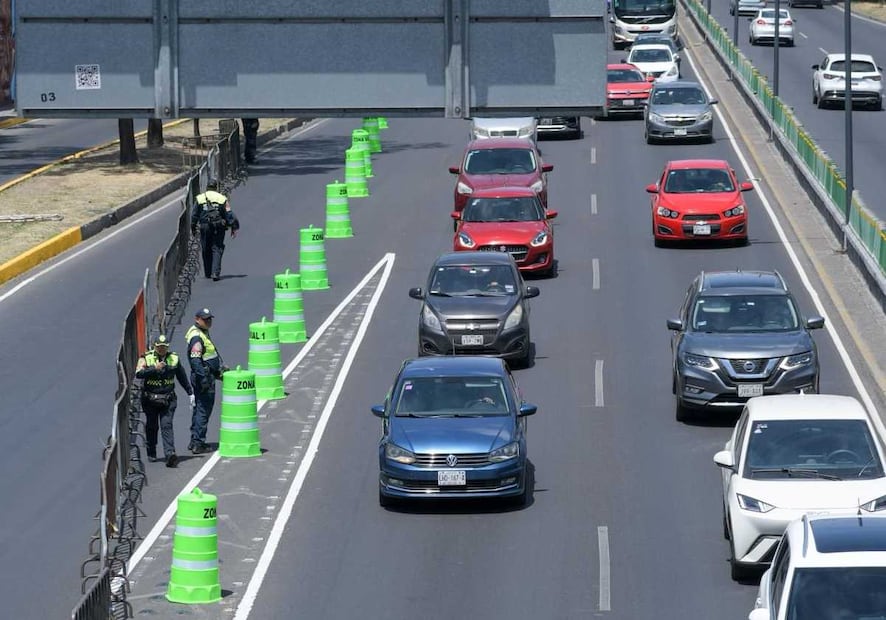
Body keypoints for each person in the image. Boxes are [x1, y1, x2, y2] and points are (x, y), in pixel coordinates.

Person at [135, 335, 194, 468]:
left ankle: (170, 454)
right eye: (159, 347)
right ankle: (151, 450)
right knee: (152, 426)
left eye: (164, 347)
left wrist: (190, 392)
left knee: (166, 425)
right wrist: (154, 368)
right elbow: (138, 373)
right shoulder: (146, 358)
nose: (162, 349)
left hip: (168, 399)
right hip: (150, 399)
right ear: (155, 346)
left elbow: (181, 376)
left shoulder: (174, 358)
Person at [185, 307, 228, 454]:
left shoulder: (202, 332)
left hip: (206, 375)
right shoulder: (196, 337)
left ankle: (194, 440)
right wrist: (203, 378)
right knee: (203, 410)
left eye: (209, 319)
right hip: (203, 378)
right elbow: (195, 360)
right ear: (197, 319)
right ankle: (198, 443)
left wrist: (218, 370)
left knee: (199, 409)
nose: (208, 321)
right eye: (205, 319)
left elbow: (208, 355)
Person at [192, 180, 240, 281]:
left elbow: (194, 215)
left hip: (205, 226)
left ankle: (208, 272)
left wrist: (193, 227)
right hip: (219, 227)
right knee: (217, 248)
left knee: (206, 249)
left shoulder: (200, 198)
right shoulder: (222, 198)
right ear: (216, 188)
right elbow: (229, 213)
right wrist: (234, 226)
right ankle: (215, 272)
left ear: (207, 187)